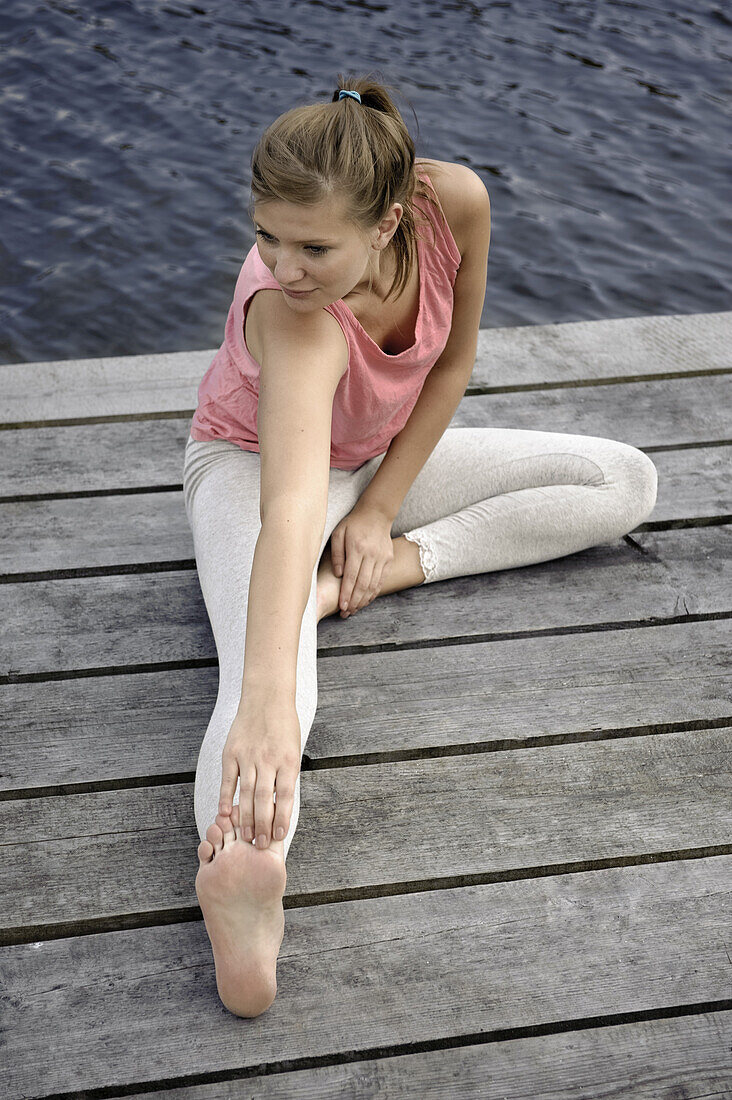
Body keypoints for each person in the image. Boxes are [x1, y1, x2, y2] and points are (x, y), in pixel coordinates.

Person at [182, 74, 658, 1018]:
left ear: (392, 222)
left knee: (624, 478)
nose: (283, 263)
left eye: (313, 245)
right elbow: (286, 512)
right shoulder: (294, 314)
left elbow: (453, 363)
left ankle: (380, 573)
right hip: (251, 468)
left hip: (374, 461)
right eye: (266, 234)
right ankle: (244, 867)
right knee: (267, 680)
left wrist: (379, 512)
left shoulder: (458, 205)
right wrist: (270, 705)